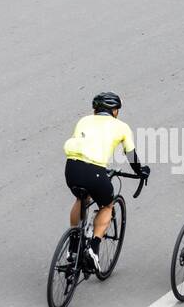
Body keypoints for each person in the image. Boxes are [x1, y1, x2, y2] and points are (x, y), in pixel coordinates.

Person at [63, 92, 148, 270]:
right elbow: (131, 155)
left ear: (95, 109)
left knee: (81, 198)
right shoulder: (122, 127)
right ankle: (93, 248)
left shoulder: (83, 121)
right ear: (115, 111)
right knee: (107, 205)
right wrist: (141, 172)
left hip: (71, 168)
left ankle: (73, 246)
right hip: (94, 170)